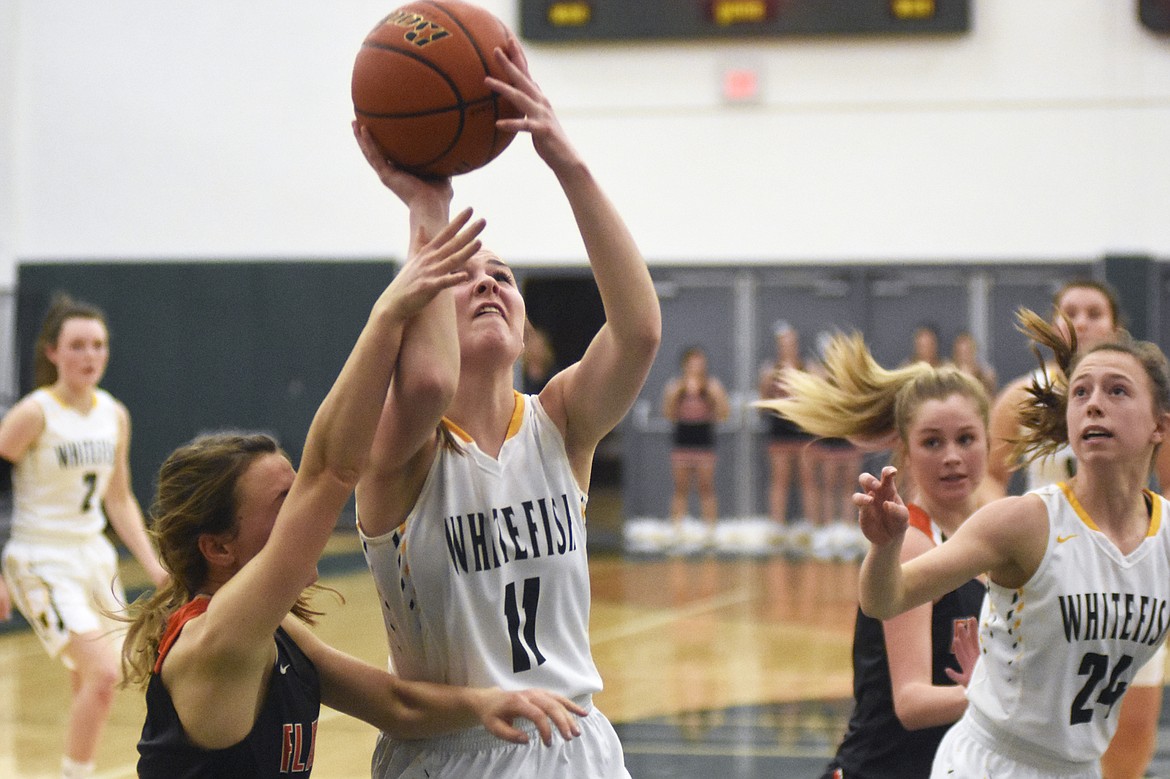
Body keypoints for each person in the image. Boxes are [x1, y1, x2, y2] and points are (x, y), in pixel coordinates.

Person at [123, 209, 586, 777]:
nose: (305, 516)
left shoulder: (274, 632)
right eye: (281, 505)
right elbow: (331, 470)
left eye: (296, 496)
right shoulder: (219, 640)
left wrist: (486, 702)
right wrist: (390, 310)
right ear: (219, 548)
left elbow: (395, 703)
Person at [352, 37, 660, 779]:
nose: (488, 281)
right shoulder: (403, 451)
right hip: (450, 750)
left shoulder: (559, 421)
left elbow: (641, 330)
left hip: (574, 741)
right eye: (464, 274)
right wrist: (430, 205)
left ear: (526, 326)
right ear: (425, 299)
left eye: (504, 275)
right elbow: (425, 382)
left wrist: (567, 162)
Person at [856, 309, 1170, 778]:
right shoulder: (1023, 521)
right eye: (1080, 392)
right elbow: (887, 598)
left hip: (1081, 768)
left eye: (1117, 390)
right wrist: (884, 547)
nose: (1094, 404)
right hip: (992, 764)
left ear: (1159, 427)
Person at [759, 333, 986, 777]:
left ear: (989, 441)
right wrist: (1014, 697)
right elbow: (912, 702)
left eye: (966, 439)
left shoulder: (986, 538)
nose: (953, 457)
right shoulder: (916, 543)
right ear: (904, 449)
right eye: (933, 442)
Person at [985, 279, 1163, 779]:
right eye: (1071, 312)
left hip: (1131, 588)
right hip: (1051, 582)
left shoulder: (1148, 405)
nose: (1081, 321)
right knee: (1044, 733)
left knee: (1130, 744)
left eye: (1093, 312)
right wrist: (1003, 548)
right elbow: (989, 478)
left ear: (1116, 327)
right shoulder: (1022, 394)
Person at [0, 294, 168, 779]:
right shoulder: (33, 414)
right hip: (40, 558)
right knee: (104, 673)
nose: (89, 355)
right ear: (52, 352)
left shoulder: (114, 414)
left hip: (93, 558)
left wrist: (155, 565)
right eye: (77, 345)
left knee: (93, 682)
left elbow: (119, 498)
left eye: (97, 345)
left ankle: (76, 768)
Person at [662, 345, 730, 534]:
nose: (696, 368)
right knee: (680, 488)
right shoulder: (676, 386)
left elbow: (724, 414)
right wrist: (677, 393)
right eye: (692, 364)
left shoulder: (712, 386)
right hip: (683, 440)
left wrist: (715, 396)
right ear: (685, 365)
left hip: (704, 440)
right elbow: (668, 414)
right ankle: (676, 529)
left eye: (699, 363)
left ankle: (710, 530)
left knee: (706, 487)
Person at [757, 320, 817, 532]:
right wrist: (773, 379)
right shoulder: (769, 370)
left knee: (807, 479)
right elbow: (762, 402)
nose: (788, 347)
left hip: (801, 428)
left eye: (791, 343)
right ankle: (777, 525)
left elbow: (816, 399)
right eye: (783, 343)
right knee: (779, 479)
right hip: (779, 427)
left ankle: (811, 526)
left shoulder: (807, 367)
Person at [948, 331, 997, 397]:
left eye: (967, 351)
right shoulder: (949, 374)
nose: (964, 356)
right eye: (961, 352)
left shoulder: (986, 374)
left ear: (974, 351)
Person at [521, 323, 556, 394]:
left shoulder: (553, 376)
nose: (535, 350)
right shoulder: (519, 373)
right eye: (533, 346)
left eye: (540, 347)